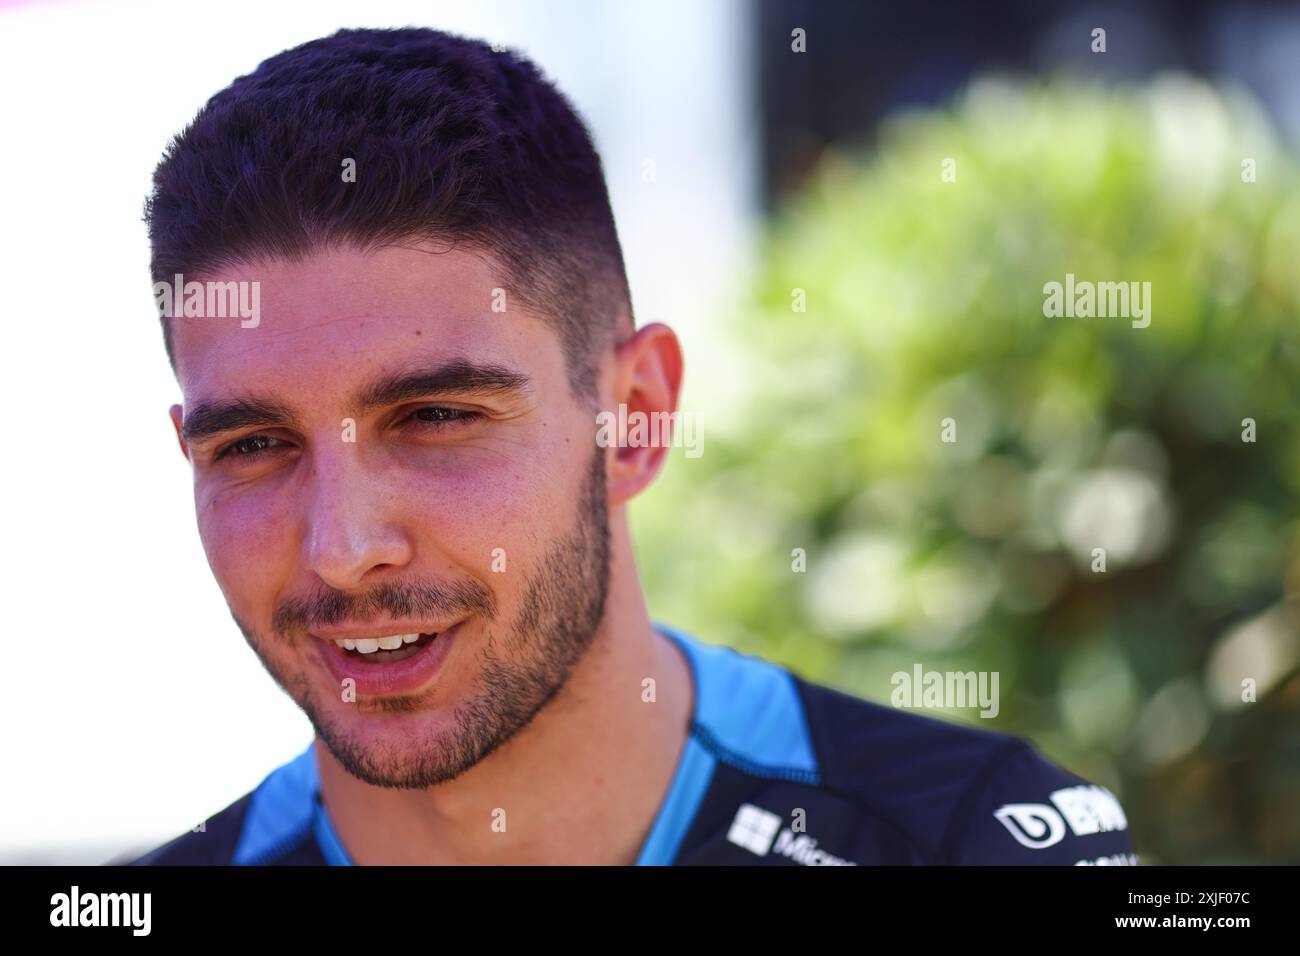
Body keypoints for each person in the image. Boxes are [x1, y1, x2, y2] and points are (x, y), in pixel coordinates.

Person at [128, 27, 1134, 866]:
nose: (343, 546)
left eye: (436, 417)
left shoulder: (975, 842)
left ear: (634, 414)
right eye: (255, 444)